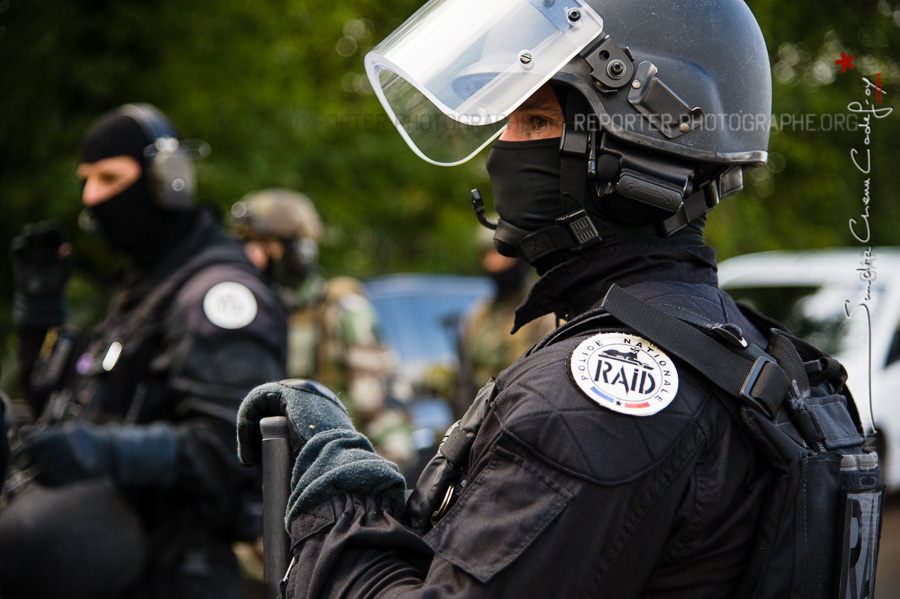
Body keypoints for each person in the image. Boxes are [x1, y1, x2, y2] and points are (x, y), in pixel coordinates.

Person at [236, 0, 877, 597]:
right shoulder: (763, 362)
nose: (503, 148)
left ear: (639, 142)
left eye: (536, 118)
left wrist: (335, 491)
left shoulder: (595, 402)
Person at [2, 104, 287, 599]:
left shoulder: (215, 293)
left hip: (175, 572)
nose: (92, 197)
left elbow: (231, 445)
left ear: (168, 180)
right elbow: (67, 409)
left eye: (110, 177)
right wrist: (40, 317)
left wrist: (103, 450)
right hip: (104, 559)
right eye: (85, 180)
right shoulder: (144, 289)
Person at [229, 189, 414, 468]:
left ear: (299, 251)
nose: (252, 256)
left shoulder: (341, 312)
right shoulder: (244, 312)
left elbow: (384, 417)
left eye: (264, 244)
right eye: (246, 245)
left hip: (328, 478)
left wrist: (373, 486)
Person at [454, 223, 556, 418]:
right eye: (486, 255)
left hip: (525, 414)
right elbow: (468, 371)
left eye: (500, 253)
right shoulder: (479, 314)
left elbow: (549, 380)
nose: (493, 263)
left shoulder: (543, 310)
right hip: (484, 416)